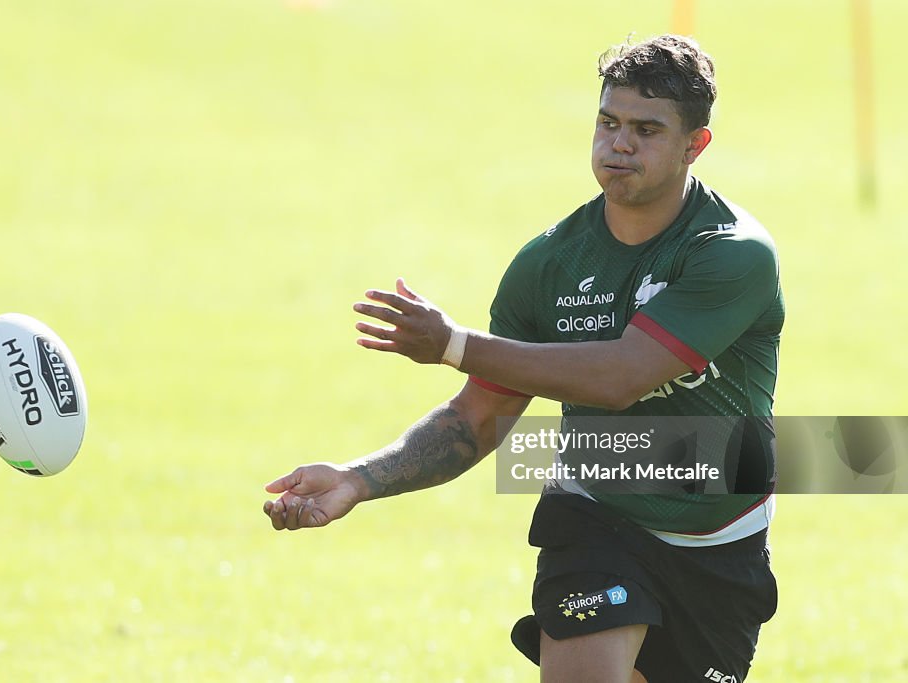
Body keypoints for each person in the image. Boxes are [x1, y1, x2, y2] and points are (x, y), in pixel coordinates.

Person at [263, 34, 782, 683]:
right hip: (596, 517)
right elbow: (479, 419)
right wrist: (358, 478)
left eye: (646, 130)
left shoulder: (732, 253)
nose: (619, 144)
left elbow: (621, 376)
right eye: (608, 122)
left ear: (694, 145)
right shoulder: (547, 265)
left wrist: (453, 345)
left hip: (719, 546)